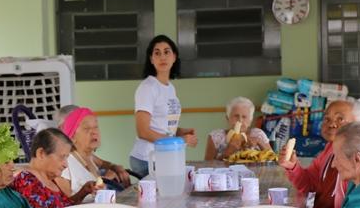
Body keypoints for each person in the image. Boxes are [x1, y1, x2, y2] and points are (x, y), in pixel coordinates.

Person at [278, 97, 360, 208]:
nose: (331, 124)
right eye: (327, 119)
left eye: (340, 119)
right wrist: (293, 166)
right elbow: (310, 185)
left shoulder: (358, 159)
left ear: (358, 125)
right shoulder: (329, 149)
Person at [128, 35, 197, 177]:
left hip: (164, 157)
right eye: (157, 53)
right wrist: (178, 141)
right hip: (147, 159)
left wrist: (180, 132)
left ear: (174, 57)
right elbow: (143, 131)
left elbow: (162, 126)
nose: (162, 57)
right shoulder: (148, 87)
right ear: (151, 59)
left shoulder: (170, 88)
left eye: (167, 52)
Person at [12, 128, 94, 208]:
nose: (65, 165)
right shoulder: (25, 179)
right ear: (41, 153)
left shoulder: (49, 180)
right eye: (62, 157)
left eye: (66, 158)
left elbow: (65, 207)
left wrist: (84, 191)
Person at [56, 106, 130, 198]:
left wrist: (116, 168)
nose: (94, 132)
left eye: (96, 127)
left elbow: (104, 164)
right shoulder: (65, 164)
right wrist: (104, 180)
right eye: (87, 128)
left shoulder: (88, 156)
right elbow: (66, 204)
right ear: (72, 137)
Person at [205, 97, 272, 161]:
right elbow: (206, 166)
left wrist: (259, 142)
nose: (240, 120)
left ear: (250, 121)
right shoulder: (216, 136)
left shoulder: (258, 134)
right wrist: (226, 154)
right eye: (236, 116)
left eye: (244, 117)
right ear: (227, 118)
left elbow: (274, 160)